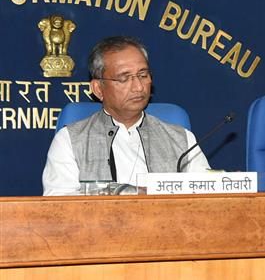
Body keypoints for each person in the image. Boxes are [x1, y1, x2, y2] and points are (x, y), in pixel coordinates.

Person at [42, 36, 210, 195]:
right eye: (124, 78)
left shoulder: (182, 139)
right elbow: (59, 206)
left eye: (143, 75)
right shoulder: (70, 141)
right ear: (98, 89)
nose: (138, 87)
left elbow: (209, 198)